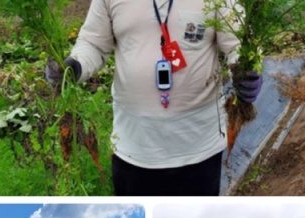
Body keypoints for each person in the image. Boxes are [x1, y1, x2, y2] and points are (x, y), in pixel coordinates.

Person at [46, 0, 262, 195]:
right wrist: (74, 66)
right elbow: (93, 44)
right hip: (135, 148)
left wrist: (247, 69)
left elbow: (238, 42)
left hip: (199, 147)